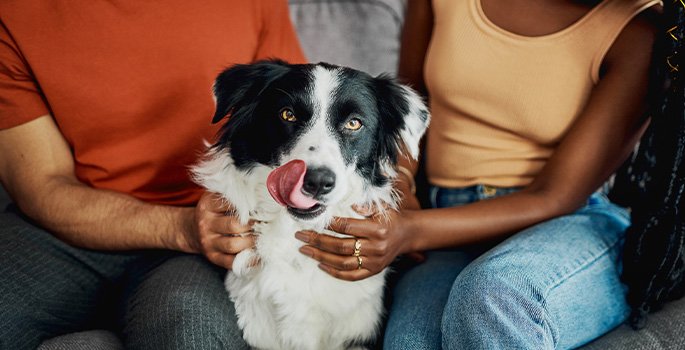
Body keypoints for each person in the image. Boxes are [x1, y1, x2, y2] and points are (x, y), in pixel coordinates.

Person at [292, 0, 662, 348]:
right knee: (413, 342)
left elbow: (556, 196)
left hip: (566, 224)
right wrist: (399, 187)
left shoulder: (640, 30)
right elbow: (408, 111)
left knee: (493, 297)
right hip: (444, 226)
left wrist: (409, 231)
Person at [0, 1, 305, 349]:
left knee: (190, 332)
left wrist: (380, 223)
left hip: (211, 232)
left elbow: (308, 131)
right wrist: (181, 228)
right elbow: (42, 185)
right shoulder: (13, 13)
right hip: (62, 232)